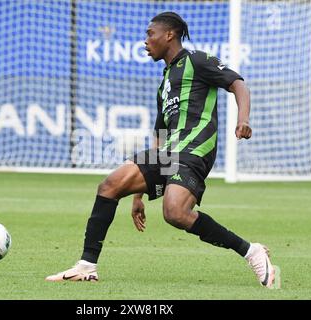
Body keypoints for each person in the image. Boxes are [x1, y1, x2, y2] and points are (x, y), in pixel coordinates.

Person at [46, 12, 276, 288]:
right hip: (168, 151)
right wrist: (138, 193)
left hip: (193, 150)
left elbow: (237, 83)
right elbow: (161, 133)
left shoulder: (197, 60)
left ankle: (252, 251)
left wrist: (243, 119)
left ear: (169, 35)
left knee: (175, 213)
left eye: (150, 34)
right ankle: (86, 266)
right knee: (110, 186)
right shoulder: (165, 80)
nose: (146, 41)